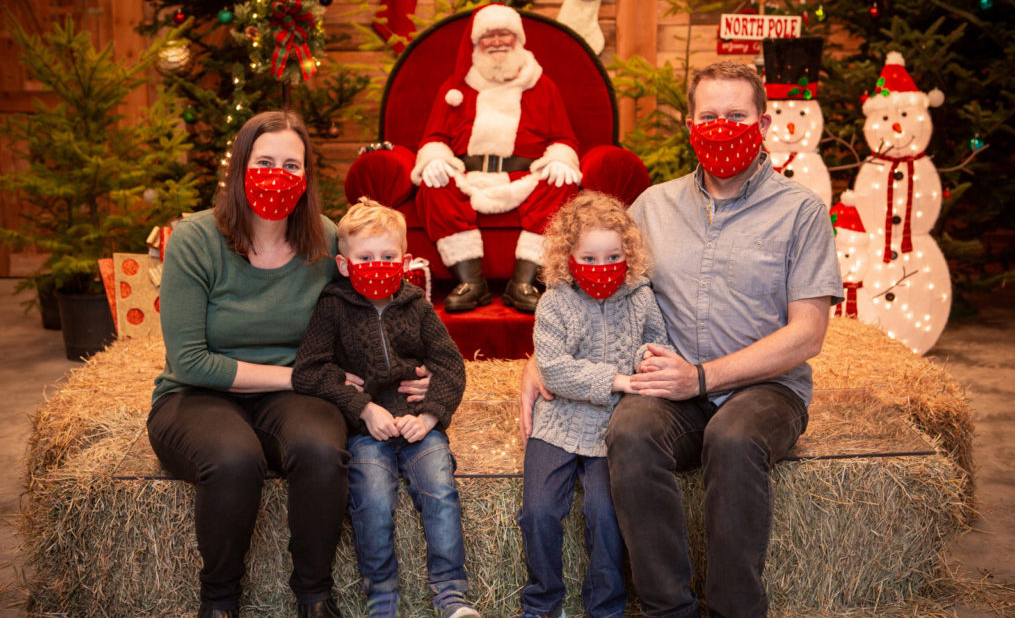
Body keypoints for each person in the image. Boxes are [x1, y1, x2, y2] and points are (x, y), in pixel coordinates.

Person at [519, 62, 843, 617]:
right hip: (672, 386)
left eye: (736, 116)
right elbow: (592, 291)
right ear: (690, 125)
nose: (722, 127)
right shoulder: (652, 207)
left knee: (735, 439)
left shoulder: (801, 211)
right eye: (709, 115)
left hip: (764, 390)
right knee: (631, 429)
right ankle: (668, 609)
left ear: (762, 124)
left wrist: (703, 376)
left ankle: (733, 611)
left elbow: (808, 334)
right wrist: (539, 361)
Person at [149, 112, 419, 618]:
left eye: (290, 164)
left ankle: (314, 596)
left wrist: (414, 367)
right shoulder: (195, 239)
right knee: (233, 460)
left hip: (295, 396)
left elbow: (371, 312)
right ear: (240, 168)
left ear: (306, 175)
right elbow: (189, 362)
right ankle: (220, 602)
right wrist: (299, 376)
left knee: (321, 449)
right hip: (199, 395)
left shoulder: (324, 240)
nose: (277, 174)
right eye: (264, 161)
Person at [292, 198, 479, 618]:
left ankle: (451, 596)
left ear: (405, 260)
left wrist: (430, 414)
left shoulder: (416, 305)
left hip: (419, 427)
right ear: (345, 264)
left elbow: (451, 364)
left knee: (441, 493)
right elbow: (309, 370)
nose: (377, 264)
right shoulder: (333, 305)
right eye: (365, 257)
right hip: (366, 434)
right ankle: (382, 602)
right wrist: (361, 408)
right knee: (373, 504)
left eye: (387, 256)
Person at [517, 192, 669, 618]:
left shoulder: (640, 297)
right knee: (539, 512)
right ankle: (543, 603)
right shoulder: (554, 302)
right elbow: (554, 369)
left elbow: (658, 344)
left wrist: (645, 358)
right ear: (568, 257)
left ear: (628, 253)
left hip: (613, 425)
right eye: (589, 258)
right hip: (558, 424)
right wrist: (619, 379)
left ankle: (606, 607)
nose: (602, 269)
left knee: (606, 514)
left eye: (612, 257)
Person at [413, 3, 582, 314]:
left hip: (525, 177)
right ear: (476, 43)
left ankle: (524, 283)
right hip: (469, 176)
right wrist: (435, 158)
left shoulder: (542, 85)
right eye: (489, 35)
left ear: (517, 39)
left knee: (563, 182)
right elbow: (435, 138)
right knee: (434, 183)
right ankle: (471, 283)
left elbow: (563, 139)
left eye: (504, 33)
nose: (497, 41)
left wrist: (560, 158)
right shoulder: (454, 88)